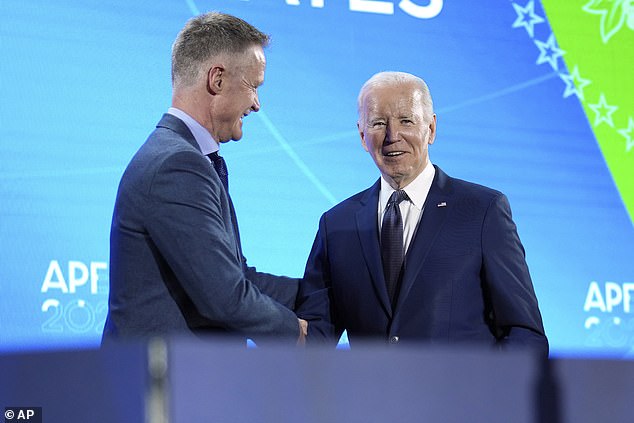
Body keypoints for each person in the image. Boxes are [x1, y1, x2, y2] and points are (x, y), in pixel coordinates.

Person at [296, 71, 548, 355]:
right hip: (373, 399)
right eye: (379, 123)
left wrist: (484, 396)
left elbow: (525, 335)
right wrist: (244, 301)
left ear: (431, 128)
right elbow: (314, 336)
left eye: (406, 120)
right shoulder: (336, 225)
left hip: (462, 398)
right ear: (362, 135)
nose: (393, 136)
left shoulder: (483, 211)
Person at [102, 12, 307, 345]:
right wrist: (295, 331)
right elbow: (224, 296)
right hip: (163, 386)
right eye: (253, 86)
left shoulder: (181, 156)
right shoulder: (177, 164)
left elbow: (236, 277)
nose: (257, 104)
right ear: (218, 80)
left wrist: (322, 293)